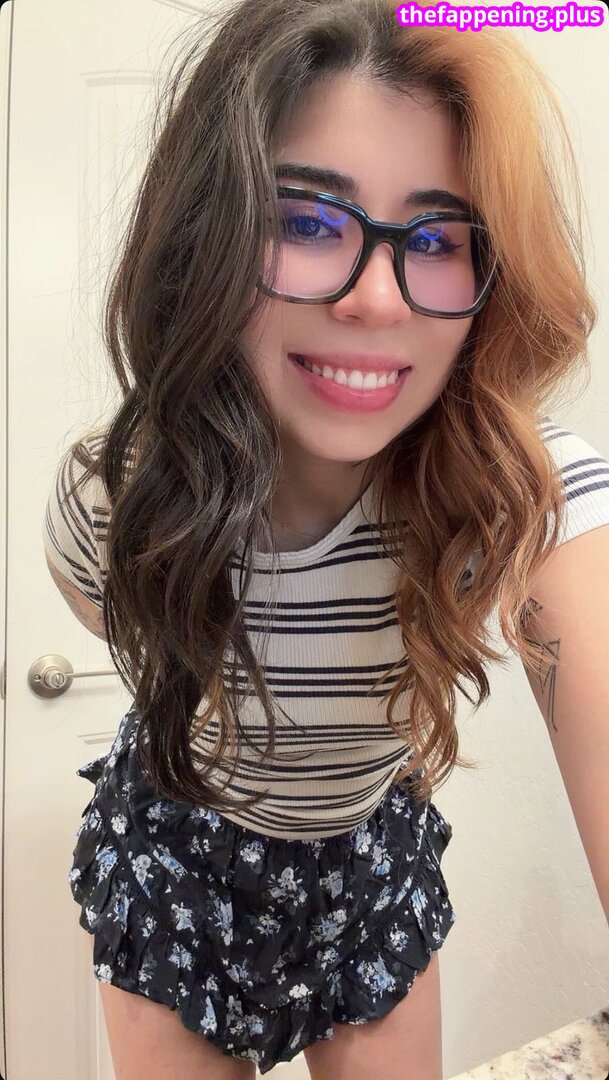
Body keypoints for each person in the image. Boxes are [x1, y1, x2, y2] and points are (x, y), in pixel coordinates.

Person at [43, 0, 609, 1077]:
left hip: (369, 863)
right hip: (176, 859)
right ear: (206, 235)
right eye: (305, 221)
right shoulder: (112, 497)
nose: (377, 300)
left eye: (436, 240)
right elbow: (121, 625)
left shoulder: (515, 490)